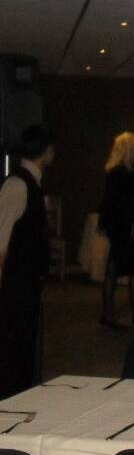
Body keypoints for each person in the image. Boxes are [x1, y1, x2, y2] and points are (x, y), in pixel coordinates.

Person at [0, 125, 55, 399]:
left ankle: (21, 395)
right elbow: (2, 241)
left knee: (25, 348)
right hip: (15, 285)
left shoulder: (32, 183)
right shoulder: (17, 185)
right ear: (45, 151)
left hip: (27, 282)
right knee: (14, 349)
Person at [98, 132, 134, 331]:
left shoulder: (123, 171)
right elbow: (110, 201)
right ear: (129, 149)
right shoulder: (118, 172)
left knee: (113, 269)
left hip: (120, 225)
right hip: (118, 226)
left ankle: (109, 314)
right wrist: (108, 223)